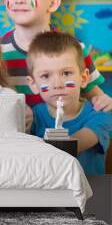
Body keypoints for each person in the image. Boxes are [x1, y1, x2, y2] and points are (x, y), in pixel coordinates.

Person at [1, 0, 112, 111]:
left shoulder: (74, 48)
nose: (19, 0)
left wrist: (104, 101)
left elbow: (95, 96)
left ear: (52, 4)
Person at [27, 32, 112, 175]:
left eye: (66, 73)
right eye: (46, 76)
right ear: (33, 84)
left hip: (90, 193)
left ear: (84, 78)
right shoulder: (34, 116)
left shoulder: (100, 114)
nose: (57, 84)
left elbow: (76, 143)